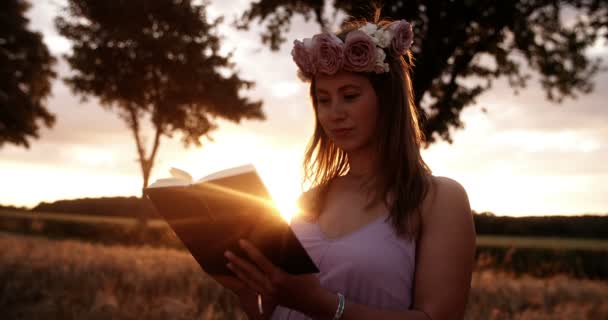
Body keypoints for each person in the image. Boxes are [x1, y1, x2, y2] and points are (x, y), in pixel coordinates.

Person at [220, 12, 476, 320]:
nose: (334, 113)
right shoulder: (309, 201)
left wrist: (323, 304)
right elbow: (277, 313)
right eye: (323, 100)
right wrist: (247, 289)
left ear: (388, 100)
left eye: (350, 96)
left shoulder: (438, 199)